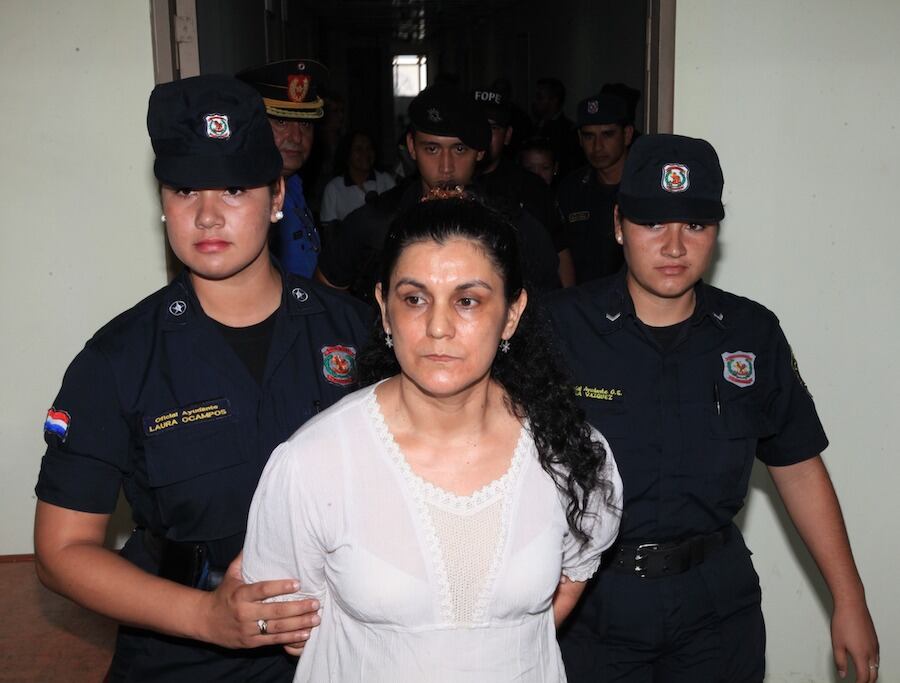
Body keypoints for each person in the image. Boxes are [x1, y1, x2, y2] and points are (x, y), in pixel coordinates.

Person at [33, 75, 371, 682]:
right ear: (163, 202)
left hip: (340, 646)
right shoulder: (119, 359)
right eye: (185, 189)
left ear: (276, 196)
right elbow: (61, 551)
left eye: (235, 189)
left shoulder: (355, 333)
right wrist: (205, 618)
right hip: (184, 653)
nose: (208, 215)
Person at [242, 193, 623, 682]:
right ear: (385, 310)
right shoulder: (314, 461)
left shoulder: (569, 452)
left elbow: (570, 577)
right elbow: (291, 625)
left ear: (511, 313)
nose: (438, 327)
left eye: (468, 301)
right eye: (414, 299)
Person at [549, 134, 880, 682]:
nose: (674, 246)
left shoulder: (752, 334)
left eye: (695, 225)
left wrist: (849, 599)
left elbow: (798, 467)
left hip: (714, 611)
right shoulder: (560, 328)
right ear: (618, 225)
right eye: (653, 223)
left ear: (717, 233)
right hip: (593, 604)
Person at [316, 85, 561, 304]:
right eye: (432, 149)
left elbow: (551, 308)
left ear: (479, 152)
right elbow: (325, 293)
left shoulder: (512, 226)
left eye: (459, 149)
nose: (446, 167)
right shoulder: (376, 221)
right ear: (412, 147)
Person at [473, 87, 574, 287]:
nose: (483, 135)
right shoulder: (445, 183)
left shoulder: (531, 187)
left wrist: (568, 303)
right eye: (476, 125)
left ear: (507, 135)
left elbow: (560, 254)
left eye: (493, 128)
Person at [238, 59, 329, 278]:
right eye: (281, 122)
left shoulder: (293, 184)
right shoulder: (246, 200)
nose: (296, 137)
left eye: (305, 124)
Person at [556, 93, 634, 285]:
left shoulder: (645, 188)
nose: (597, 146)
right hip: (582, 298)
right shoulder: (571, 189)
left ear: (627, 135)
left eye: (608, 134)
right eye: (589, 136)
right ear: (579, 139)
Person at [320, 129, 395, 223]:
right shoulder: (334, 188)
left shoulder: (386, 180)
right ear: (347, 154)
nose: (365, 153)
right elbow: (328, 228)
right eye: (359, 149)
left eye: (369, 148)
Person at [532, 77, 582, 176]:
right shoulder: (536, 126)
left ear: (554, 100)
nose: (535, 101)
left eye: (540, 97)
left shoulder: (568, 131)